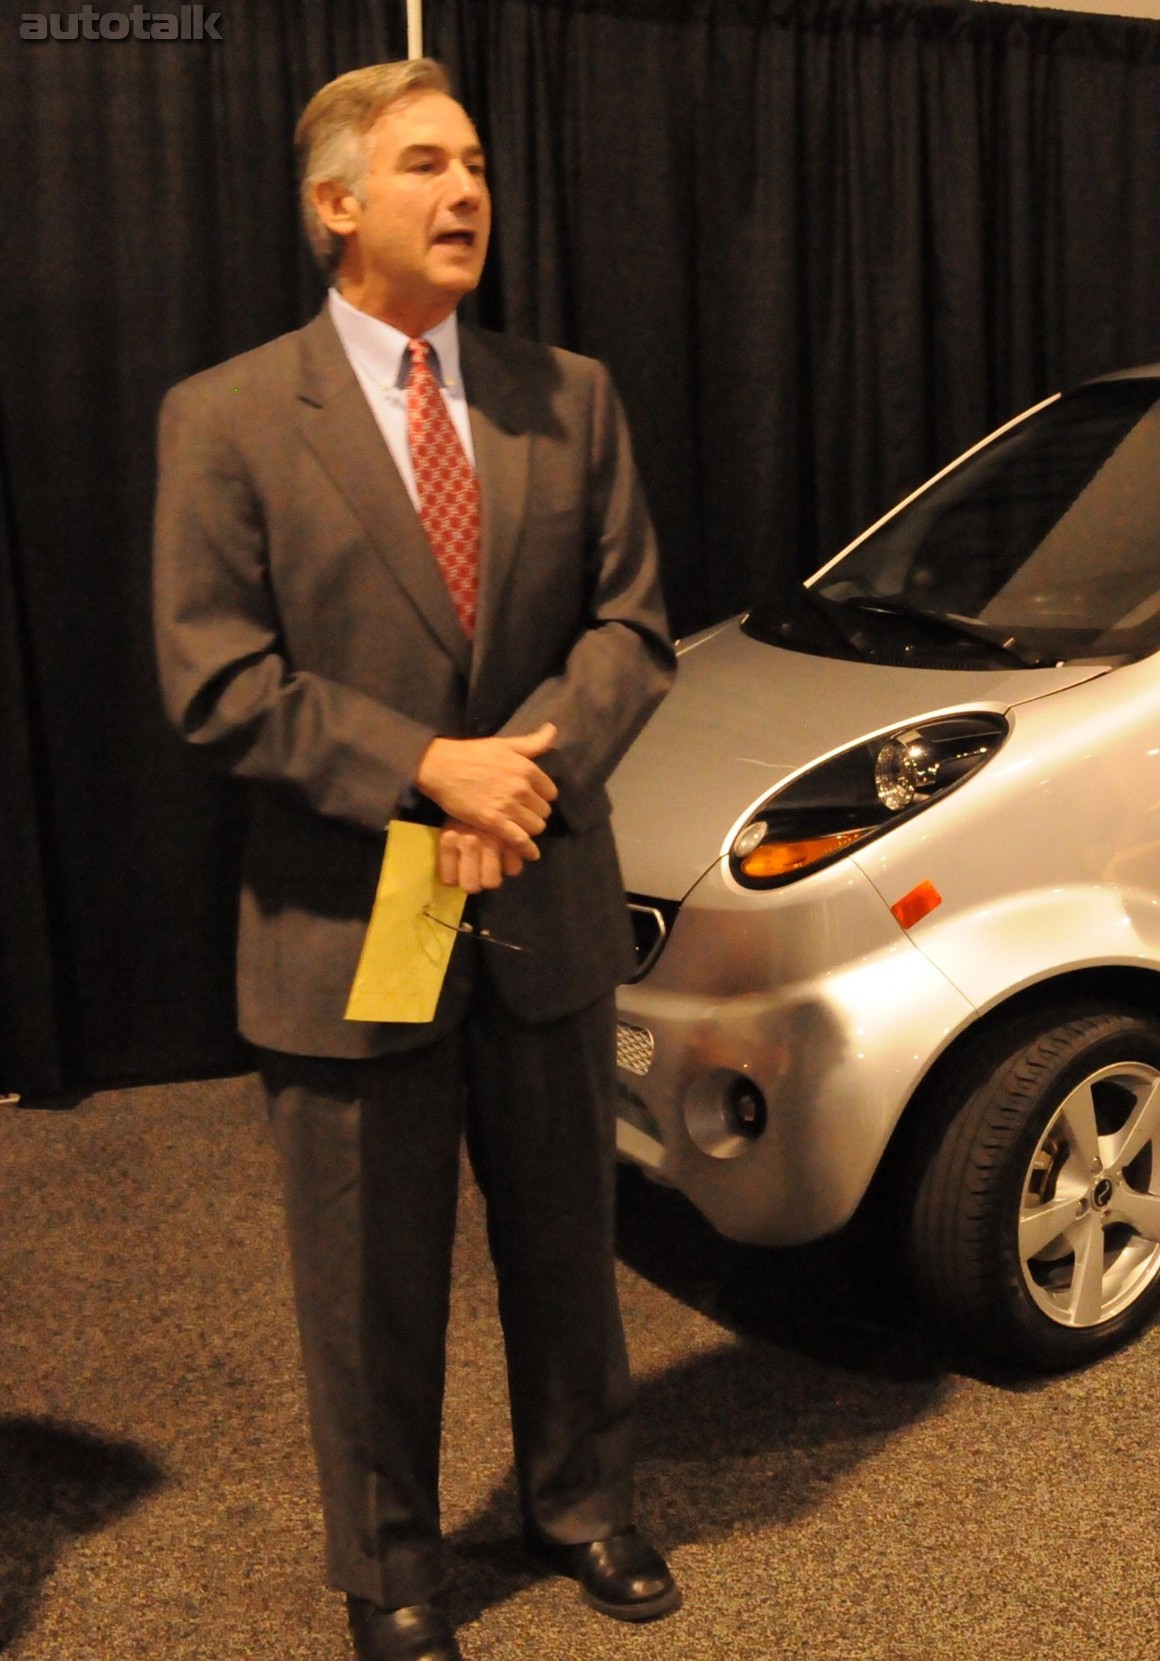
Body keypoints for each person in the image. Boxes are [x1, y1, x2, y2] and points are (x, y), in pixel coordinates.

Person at [152, 59, 678, 1661]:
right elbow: (216, 679)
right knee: (369, 1281)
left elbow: (631, 626)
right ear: (336, 205)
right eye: (425, 166)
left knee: (565, 1252)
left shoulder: (566, 393)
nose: (466, 195)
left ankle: (579, 1499)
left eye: (477, 166)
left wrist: (519, 775)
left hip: (537, 899)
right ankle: (390, 1566)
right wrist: (423, 768)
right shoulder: (229, 417)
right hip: (347, 923)